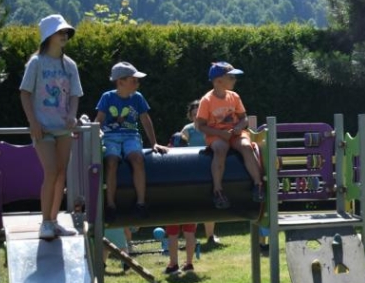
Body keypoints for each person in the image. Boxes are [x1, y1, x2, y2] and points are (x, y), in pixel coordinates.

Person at [19, 14, 84, 240]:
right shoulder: (36, 63)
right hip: (43, 130)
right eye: (60, 32)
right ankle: (45, 222)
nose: (65, 35)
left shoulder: (70, 65)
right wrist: (33, 123)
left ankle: (54, 221)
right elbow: (25, 93)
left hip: (63, 129)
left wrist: (72, 116)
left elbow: (75, 95)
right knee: (51, 171)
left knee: (61, 174)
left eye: (66, 32)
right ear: (49, 36)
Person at [95, 62, 169, 222]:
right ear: (120, 82)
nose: (137, 83)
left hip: (131, 135)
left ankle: (141, 203)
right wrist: (98, 133)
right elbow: (99, 120)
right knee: (111, 161)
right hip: (110, 136)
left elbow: (145, 119)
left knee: (137, 159)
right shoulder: (107, 97)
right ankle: (110, 205)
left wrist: (154, 143)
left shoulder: (137, 98)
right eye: (133, 80)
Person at [195, 62, 264, 209]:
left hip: (235, 133)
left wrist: (239, 128)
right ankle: (218, 191)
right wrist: (220, 133)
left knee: (246, 146)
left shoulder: (234, 96)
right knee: (220, 149)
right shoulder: (206, 100)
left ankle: (258, 185)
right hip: (216, 135)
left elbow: (244, 118)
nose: (235, 80)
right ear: (219, 81)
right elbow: (200, 126)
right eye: (231, 77)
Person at [172, 100, 219, 246]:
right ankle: (189, 237)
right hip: (193, 169)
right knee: (193, 203)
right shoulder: (187, 129)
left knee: (211, 202)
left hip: (210, 167)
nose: (197, 116)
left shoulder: (211, 127)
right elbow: (178, 144)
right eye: (194, 114)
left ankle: (210, 236)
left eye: (199, 113)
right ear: (191, 116)